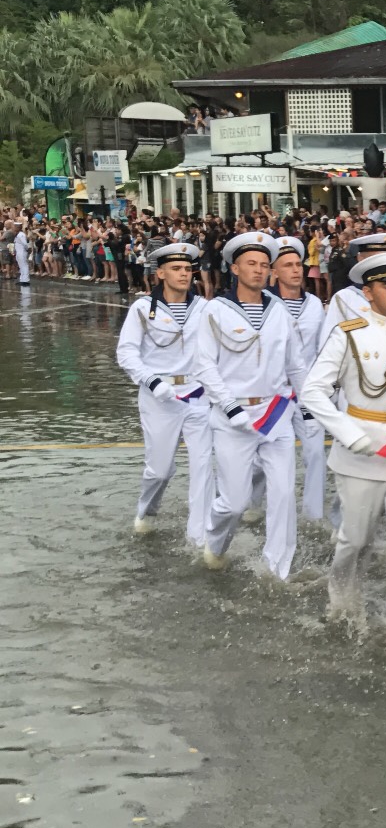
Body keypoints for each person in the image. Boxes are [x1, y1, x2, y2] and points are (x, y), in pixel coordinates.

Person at [299, 253, 386, 647]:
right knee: (354, 541)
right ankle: (342, 605)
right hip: (362, 452)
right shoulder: (349, 333)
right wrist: (346, 431)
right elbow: (313, 390)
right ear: (367, 291)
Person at [193, 232, 309, 578]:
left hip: (275, 414)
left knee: (285, 494)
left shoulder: (279, 310)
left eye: (263, 265)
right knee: (234, 503)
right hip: (233, 418)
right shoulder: (215, 310)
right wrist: (228, 406)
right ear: (234, 267)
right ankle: (215, 545)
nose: (259, 270)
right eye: (251, 264)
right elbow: (204, 365)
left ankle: (278, 569)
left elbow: (296, 364)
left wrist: (309, 406)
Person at [114, 242, 214, 544]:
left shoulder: (206, 307)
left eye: (187, 269)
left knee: (203, 466)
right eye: (176, 269)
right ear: (160, 273)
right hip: (158, 396)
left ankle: (200, 536)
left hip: (198, 393)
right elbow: (127, 353)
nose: (184, 274)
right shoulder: (143, 309)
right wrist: (153, 381)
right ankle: (146, 510)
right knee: (160, 470)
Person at [268, 236, 329, 521]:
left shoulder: (316, 305)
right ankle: (254, 508)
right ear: (274, 271)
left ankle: (312, 516)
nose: (295, 270)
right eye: (287, 265)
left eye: (298, 264)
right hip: (274, 395)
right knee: (264, 459)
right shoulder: (264, 304)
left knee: (316, 453)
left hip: (307, 393)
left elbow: (322, 348)